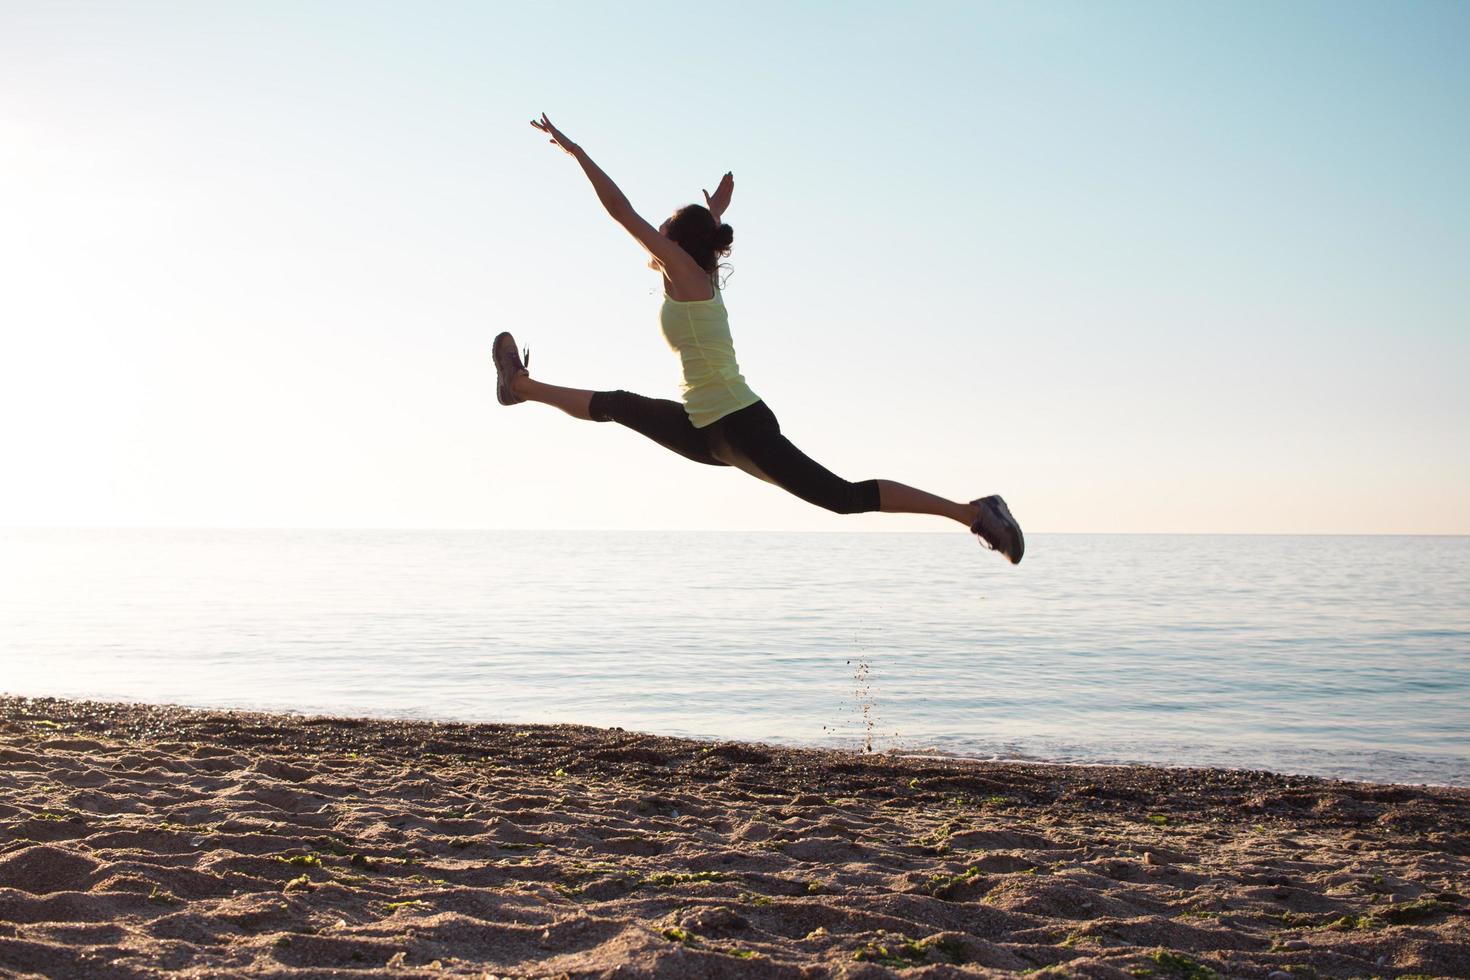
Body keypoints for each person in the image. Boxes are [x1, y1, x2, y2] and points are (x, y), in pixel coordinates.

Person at [493, 114, 1023, 564]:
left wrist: (577, 152)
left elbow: (621, 212)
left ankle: (975, 511)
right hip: (706, 426)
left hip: (737, 425)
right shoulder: (695, 273)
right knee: (617, 405)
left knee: (842, 497)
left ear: (678, 245)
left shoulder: (688, 275)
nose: (654, 236)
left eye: (665, 232)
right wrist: (715, 212)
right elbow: (691, 239)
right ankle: (519, 385)